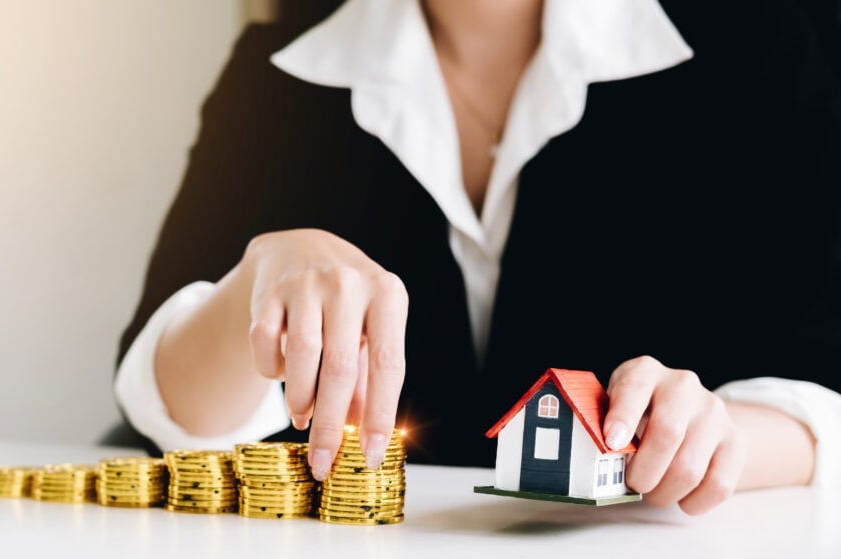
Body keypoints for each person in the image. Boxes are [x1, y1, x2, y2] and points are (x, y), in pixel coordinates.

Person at [114, 0, 841, 515]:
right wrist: (253, 287)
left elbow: (821, 377)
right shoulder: (274, 77)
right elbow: (164, 412)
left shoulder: (756, 46)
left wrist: (716, 434)